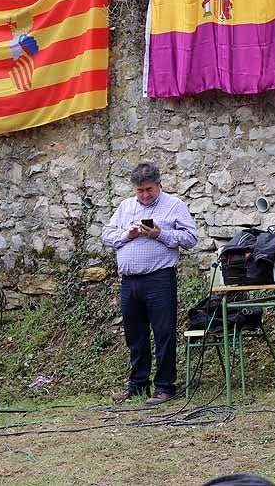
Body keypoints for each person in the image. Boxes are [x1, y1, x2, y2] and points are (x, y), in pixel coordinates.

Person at [101, 161, 198, 406]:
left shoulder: (174, 206)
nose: (145, 195)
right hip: (129, 282)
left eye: (149, 190)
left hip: (159, 279)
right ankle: (137, 386)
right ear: (134, 189)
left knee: (164, 333)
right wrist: (127, 234)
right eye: (140, 190)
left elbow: (190, 238)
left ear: (158, 185)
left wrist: (160, 233)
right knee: (135, 335)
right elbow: (106, 235)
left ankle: (165, 387)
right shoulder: (125, 207)